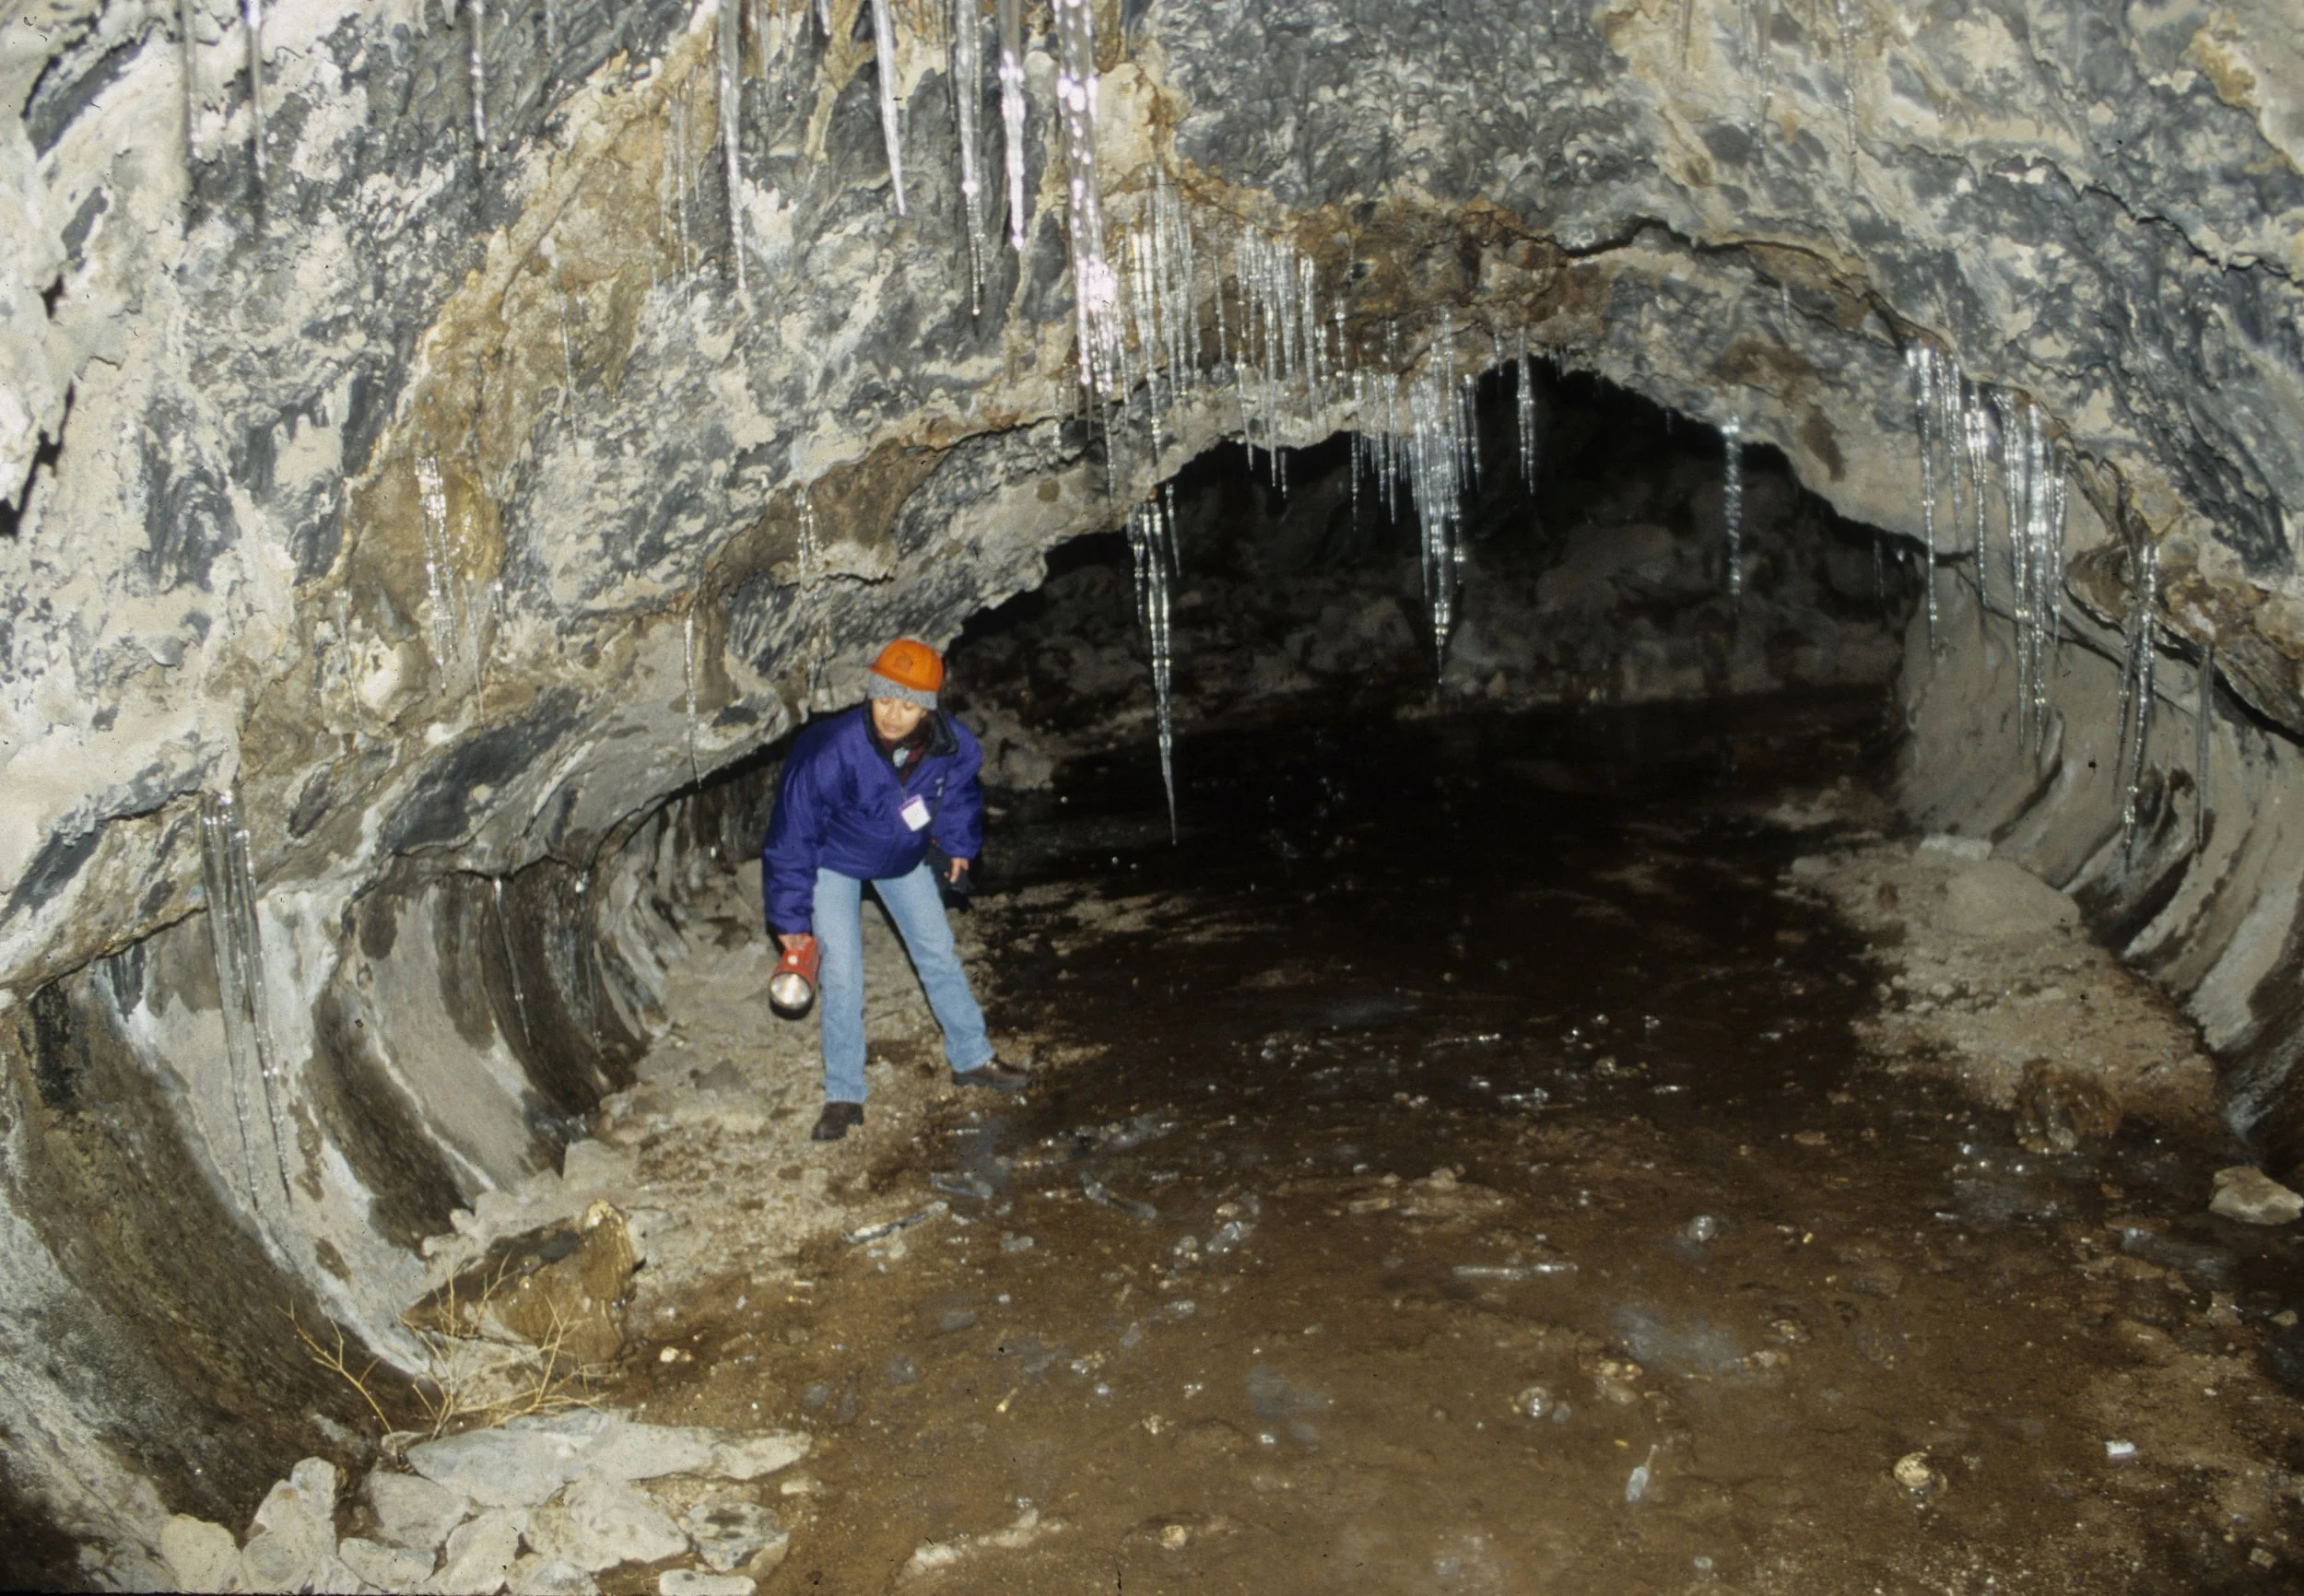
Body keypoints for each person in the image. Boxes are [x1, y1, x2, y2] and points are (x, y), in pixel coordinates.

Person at [760, 639, 1029, 1141]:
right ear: (872, 694)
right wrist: (791, 925)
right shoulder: (829, 751)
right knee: (842, 975)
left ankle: (971, 1057)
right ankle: (843, 1094)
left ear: (927, 708)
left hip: (902, 858)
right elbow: (791, 839)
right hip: (833, 862)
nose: (892, 715)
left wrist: (959, 845)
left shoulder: (950, 744)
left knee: (938, 953)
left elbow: (961, 794)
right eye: (885, 700)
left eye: (908, 706)